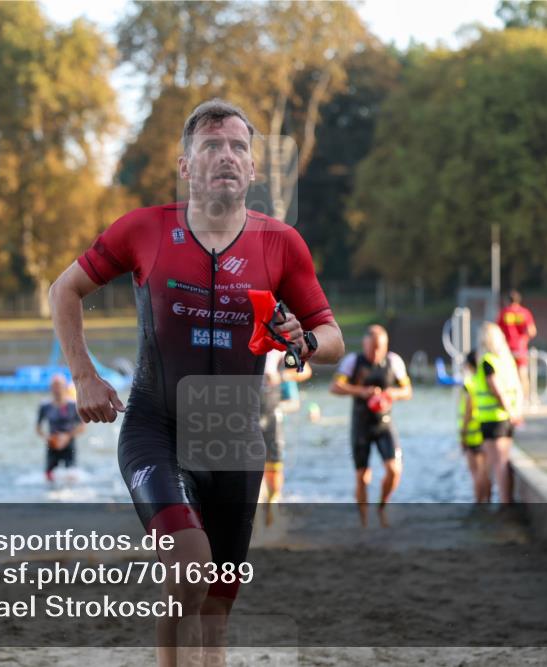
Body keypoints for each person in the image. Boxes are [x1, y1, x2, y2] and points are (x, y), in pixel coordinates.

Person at [48, 98, 344, 667]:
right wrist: (84, 375)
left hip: (234, 440)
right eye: (211, 145)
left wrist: (304, 341)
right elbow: (65, 289)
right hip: (155, 429)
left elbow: (331, 338)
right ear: (186, 166)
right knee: (189, 568)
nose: (226, 155)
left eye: (238, 147)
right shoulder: (145, 229)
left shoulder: (280, 243)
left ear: (252, 169)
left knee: (215, 612)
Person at [330, 324, 412, 525]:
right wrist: (361, 391)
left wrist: (393, 394)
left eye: (379, 348)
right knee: (363, 477)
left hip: (384, 424)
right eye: (372, 348)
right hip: (361, 425)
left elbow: (408, 391)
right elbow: (335, 386)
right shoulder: (353, 361)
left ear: (386, 346)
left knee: (394, 470)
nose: (375, 353)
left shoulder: (394, 361)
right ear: (364, 344)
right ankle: (364, 522)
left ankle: (382, 506)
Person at [258, 349, 312, 525]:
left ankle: (272, 504)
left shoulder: (279, 350)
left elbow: (305, 370)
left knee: (274, 470)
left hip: (272, 415)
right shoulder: (242, 342)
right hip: (247, 414)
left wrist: (281, 376)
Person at [474, 322, 523, 505]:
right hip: (506, 417)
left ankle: (495, 502)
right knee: (501, 463)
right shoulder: (507, 360)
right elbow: (517, 387)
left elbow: (497, 390)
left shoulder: (487, 361)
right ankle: (502, 501)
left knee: (494, 465)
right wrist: (515, 411)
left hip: (492, 419)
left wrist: (510, 412)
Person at [36, 374, 85, 483]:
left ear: (65, 387)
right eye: (54, 386)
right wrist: (47, 437)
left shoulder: (73, 405)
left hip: (68, 442)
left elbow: (82, 426)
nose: (57, 389)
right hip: (52, 443)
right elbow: (38, 428)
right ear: (51, 388)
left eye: (59, 386)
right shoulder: (45, 406)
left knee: (72, 475)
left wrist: (67, 437)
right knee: (49, 476)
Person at [497, 289, 537, 405]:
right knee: (522, 374)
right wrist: (523, 339)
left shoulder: (504, 313)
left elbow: (497, 330)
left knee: (506, 374)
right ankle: (526, 400)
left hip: (507, 348)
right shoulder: (525, 313)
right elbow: (532, 331)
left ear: (507, 301)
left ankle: (510, 399)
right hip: (521, 348)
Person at [458, 352, 487, 503]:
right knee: (484, 471)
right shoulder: (483, 381)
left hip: (471, 432)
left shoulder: (469, 383)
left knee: (476, 472)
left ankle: (478, 503)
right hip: (484, 429)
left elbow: (469, 409)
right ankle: (487, 499)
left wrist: (463, 432)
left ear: (469, 365)